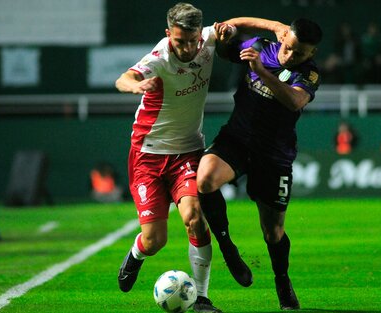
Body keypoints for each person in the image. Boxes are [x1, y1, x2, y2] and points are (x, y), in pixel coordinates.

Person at [114, 3, 286, 312]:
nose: (188, 47)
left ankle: (202, 299)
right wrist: (137, 86)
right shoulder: (160, 58)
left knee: (194, 218)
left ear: (199, 34)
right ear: (169, 34)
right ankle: (136, 255)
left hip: (187, 152)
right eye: (180, 41)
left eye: (192, 40)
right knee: (155, 241)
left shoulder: (207, 39)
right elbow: (123, 78)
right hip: (148, 156)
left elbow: (235, 21)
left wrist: (275, 26)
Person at [197, 17, 323, 310]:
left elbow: (294, 102)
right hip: (237, 140)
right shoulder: (260, 46)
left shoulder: (310, 74)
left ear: (311, 54)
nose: (291, 56)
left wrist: (261, 71)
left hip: (274, 155)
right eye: (289, 48)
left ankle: (282, 279)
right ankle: (228, 250)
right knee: (204, 180)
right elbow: (225, 49)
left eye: (300, 53)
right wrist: (227, 30)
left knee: (273, 232)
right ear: (283, 37)